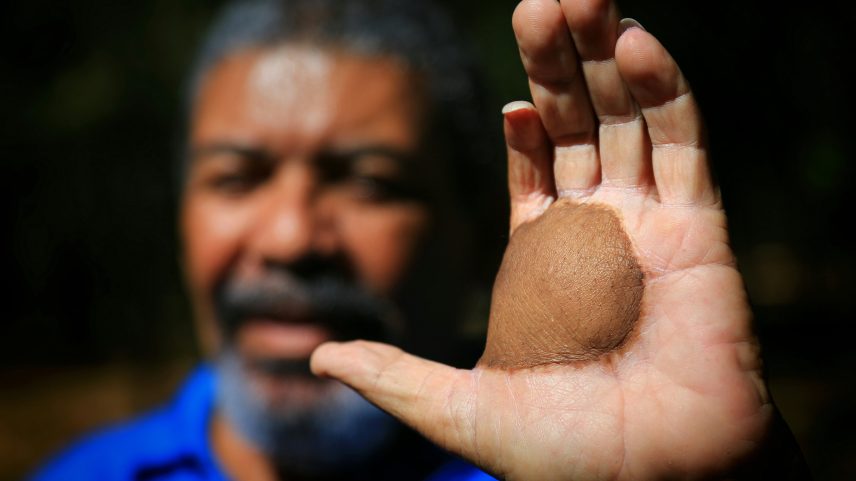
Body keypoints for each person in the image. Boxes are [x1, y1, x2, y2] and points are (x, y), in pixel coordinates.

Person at [31, 0, 810, 480]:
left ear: (472, 232)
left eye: (370, 181)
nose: (292, 235)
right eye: (236, 177)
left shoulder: (575, 463)